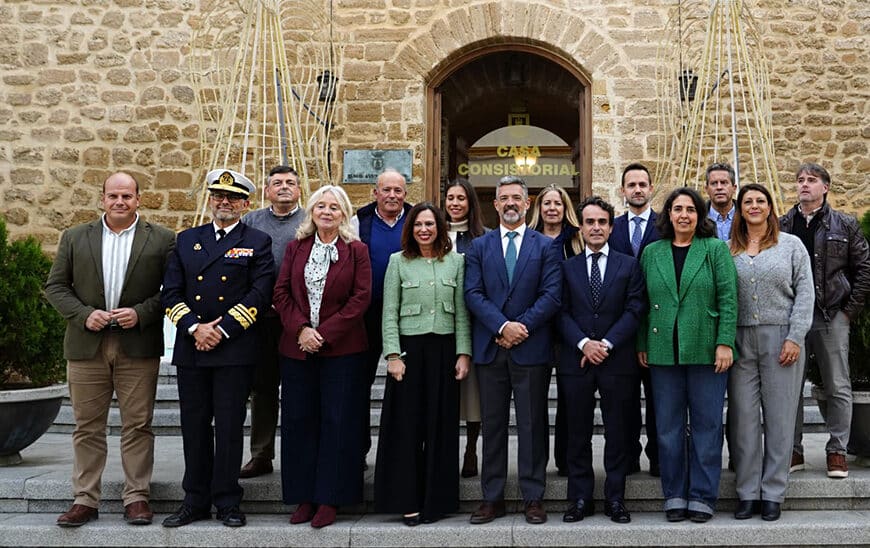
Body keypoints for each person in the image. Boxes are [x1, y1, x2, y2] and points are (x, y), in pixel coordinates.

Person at [45, 172, 175, 528]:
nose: (120, 202)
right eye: (113, 196)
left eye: (127, 196)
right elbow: (56, 287)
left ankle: (137, 497)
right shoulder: (74, 237)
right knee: (87, 426)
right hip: (87, 346)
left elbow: (174, 290)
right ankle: (85, 499)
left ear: (138, 199)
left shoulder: (162, 239)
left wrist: (142, 313)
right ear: (102, 198)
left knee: (138, 424)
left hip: (138, 345)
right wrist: (84, 315)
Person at [161, 169, 275, 528]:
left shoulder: (257, 241)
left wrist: (221, 330)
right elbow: (171, 292)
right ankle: (194, 500)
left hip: (234, 349)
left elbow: (260, 293)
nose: (223, 202)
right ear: (210, 200)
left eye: (232, 197)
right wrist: (195, 327)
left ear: (245, 203)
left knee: (228, 427)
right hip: (193, 346)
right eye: (217, 196)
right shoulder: (185, 240)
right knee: (194, 426)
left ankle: (227, 501)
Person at [464, 175, 561, 525]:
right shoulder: (479, 246)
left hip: (531, 349)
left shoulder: (546, 247)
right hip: (491, 348)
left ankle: (533, 497)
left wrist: (522, 327)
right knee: (493, 426)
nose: (509, 203)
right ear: (495, 204)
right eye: (503, 198)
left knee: (533, 425)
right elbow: (473, 294)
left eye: (516, 198)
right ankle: (492, 497)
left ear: (527, 202)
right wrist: (502, 326)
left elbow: (552, 294)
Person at [637, 186, 737, 523]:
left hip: (707, 349)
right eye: (677, 209)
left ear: (700, 215)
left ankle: (703, 496)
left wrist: (725, 342)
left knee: (707, 426)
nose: (684, 215)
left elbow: (728, 299)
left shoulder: (714, 250)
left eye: (691, 210)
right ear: (668, 215)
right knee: (667, 428)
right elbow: (641, 302)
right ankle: (675, 493)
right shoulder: (652, 252)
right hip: (663, 349)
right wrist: (642, 343)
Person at [274, 185, 372, 529]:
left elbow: (361, 299)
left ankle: (331, 498)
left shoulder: (356, 251)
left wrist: (324, 334)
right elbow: (282, 293)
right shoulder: (295, 248)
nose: (327, 212)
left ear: (343, 214)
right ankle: (304, 497)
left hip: (342, 351)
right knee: (299, 423)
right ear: (311, 211)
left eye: (334, 207)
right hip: (297, 349)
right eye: (321, 206)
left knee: (338, 423)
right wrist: (301, 330)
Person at [375, 203, 471, 526]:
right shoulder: (397, 263)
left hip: (444, 351)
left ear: (440, 228)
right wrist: (392, 355)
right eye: (418, 224)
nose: (424, 230)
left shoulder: (456, 262)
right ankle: (407, 499)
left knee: (440, 427)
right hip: (409, 354)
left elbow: (461, 312)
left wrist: (463, 353)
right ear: (410, 229)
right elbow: (389, 312)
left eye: (430, 224)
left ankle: (437, 500)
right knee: (407, 429)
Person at [728, 183, 813, 522]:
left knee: (779, 419)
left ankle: (773, 493)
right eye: (747, 201)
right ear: (740, 209)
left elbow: (805, 293)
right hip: (739, 340)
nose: (754, 206)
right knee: (743, 420)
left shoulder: (791, 245)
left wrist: (795, 336)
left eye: (760, 201)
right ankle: (748, 493)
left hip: (782, 339)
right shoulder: (727, 248)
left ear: (770, 207)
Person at [559, 196, 646, 525]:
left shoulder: (629, 265)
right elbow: (560, 311)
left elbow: (635, 309)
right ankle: (580, 498)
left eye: (602, 222)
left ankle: (615, 498)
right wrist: (584, 344)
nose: (596, 228)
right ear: (581, 227)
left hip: (617, 362)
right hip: (576, 361)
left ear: (611, 227)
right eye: (590, 222)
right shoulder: (567, 267)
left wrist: (606, 344)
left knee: (618, 433)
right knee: (577, 433)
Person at [782, 163, 870, 479]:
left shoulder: (844, 224)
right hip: (792, 318)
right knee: (789, 387)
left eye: (812, 180)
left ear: (825, 187)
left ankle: (837, 452)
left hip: (831, 314)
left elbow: (864, 270)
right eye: (800, 180)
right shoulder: (782, 225)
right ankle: (793, 450)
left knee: (838, 385)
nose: (804, 185)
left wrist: (848, 313)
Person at [238, 165, 304, 479]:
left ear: (299, 190)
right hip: (261, 318)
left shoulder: (310, 220)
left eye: (290, 182)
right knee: (263, 388)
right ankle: (261, 454)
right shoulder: (251, 222)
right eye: (277, 183)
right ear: (267, 191)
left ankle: (298, 450)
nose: (284, 187)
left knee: (297, 387)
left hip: (299, 320)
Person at [350, 168, 412, 464]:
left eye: (397, 190)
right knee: (358, 385)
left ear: (405, 194)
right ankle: (357, 450)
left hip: (407, 316)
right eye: (386, 190)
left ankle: (398, 454)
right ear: (375, 193)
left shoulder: (415, 219)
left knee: (403, 388)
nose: (391, 195)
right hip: (365, 315)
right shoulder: (358, 221)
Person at [608, 162, 661, 478]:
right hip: (622, 330)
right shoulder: (612, 227)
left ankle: (657, 456)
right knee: (623, 399)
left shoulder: (666, 225)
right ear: (623, 190)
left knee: (659, 399)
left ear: (651, 188)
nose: (638, 190)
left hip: (657, 326)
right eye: (632, 185)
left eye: (643, 184)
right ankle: (627, 455)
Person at [528, 183, 582, 476]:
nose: (551, 208)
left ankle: (564, 458)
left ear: (565, 209)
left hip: (569, 330)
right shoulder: (529, 239)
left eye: (557, 204)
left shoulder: (577, 240)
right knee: (535, 400)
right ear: (539, 208)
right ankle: (536, 461)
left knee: (568, 398)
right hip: (536, 328)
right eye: (546, 203)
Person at [443, 178, 487, 478]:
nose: (455, 203)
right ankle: (445, 450)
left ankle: (471, 449)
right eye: (450, 198)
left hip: (473, 324)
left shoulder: (483, 238)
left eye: (461, 198)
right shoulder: (433, 233)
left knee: (472, 397)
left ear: (471, 204)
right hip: (441, 324)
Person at [705, 162, 738, 241]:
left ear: (734, 188)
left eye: (724, 183)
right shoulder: (698, 218)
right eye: (714, 183)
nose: (719, 187)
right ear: (706, 189)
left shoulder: (745, 216)